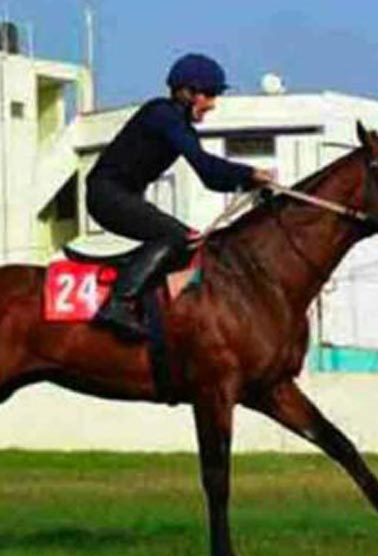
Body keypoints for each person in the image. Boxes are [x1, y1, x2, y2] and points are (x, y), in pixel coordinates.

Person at [85, 53, 273, 341]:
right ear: (187, 93)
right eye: (209, 94)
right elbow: (206, 166)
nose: (212, 104)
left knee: (188, 243)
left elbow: (211, 178)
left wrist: (248, 182)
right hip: (107, 195)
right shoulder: (163, 115)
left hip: (119, 195)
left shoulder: (177, 123)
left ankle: (152, 307)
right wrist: (249, 173)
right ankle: (118, 304)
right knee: (177, 237)